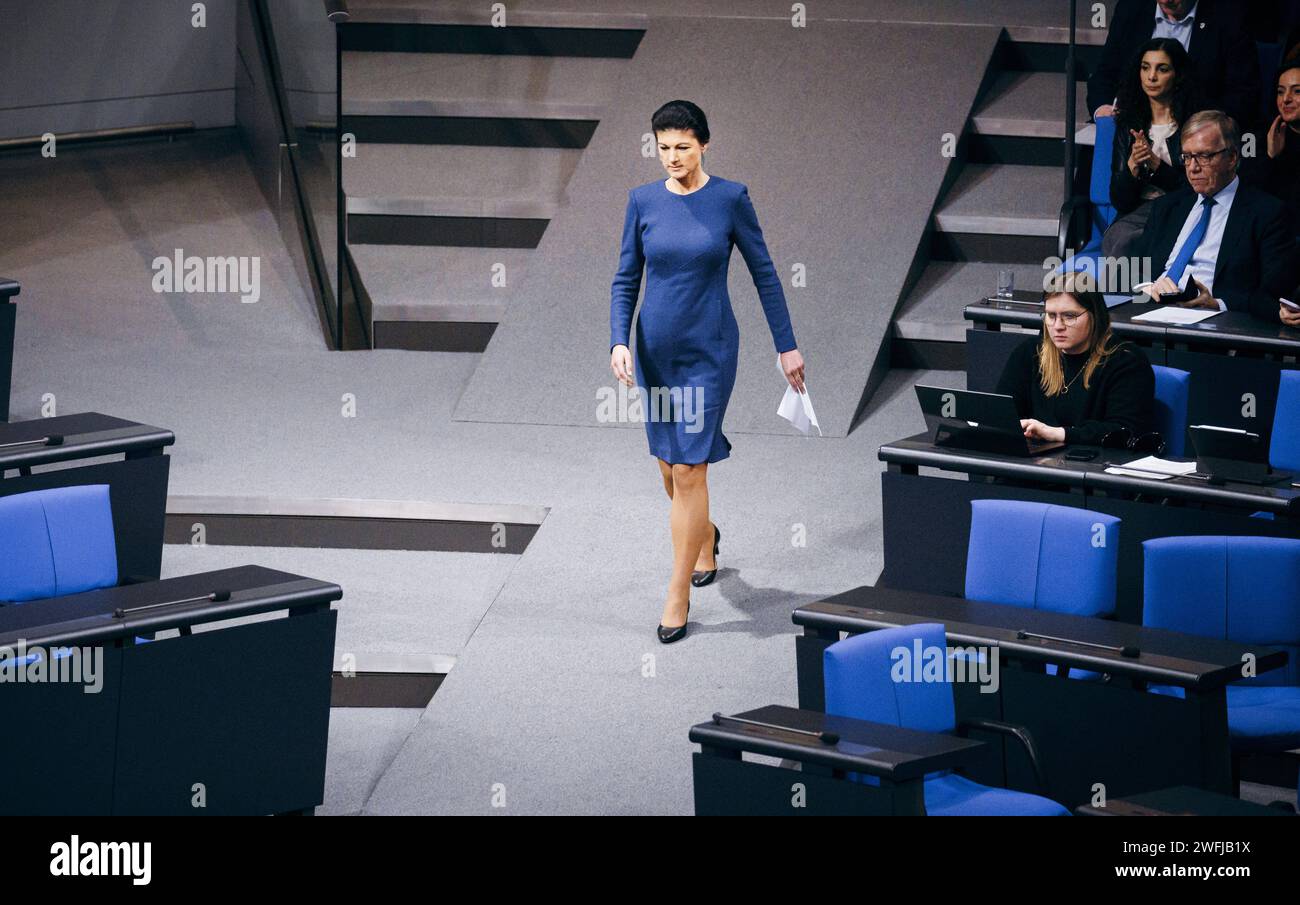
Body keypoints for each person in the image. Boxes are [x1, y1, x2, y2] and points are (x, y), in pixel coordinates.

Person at [609, 100, 805, 644]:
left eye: (683, 147)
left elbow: (765, 274)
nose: (671, 157)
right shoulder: (642, 201)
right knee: (670, 469)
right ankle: (706, 533)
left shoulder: (730, 199)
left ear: (704, 145)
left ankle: (678, 592)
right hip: (654, 355)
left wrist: (786, 347)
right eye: (663, 147)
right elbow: (625, 279)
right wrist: (618, 342)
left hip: (709, 354)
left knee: (690, 469)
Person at [1137, 110, 1300, 324]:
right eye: (1187, 157)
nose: (1193, 168)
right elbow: (1138, 268)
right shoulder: (1167, 207)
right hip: (1153, 314)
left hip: (1217, 325)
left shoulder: (1267, 213)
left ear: (1231, 158)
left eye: (1204, 156)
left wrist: (1218, 303)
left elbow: (1269, 294)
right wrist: (1147, 287)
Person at [996, 271, 1155, 447]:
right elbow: (1001, 412)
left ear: (1094, 315)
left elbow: (1124, 431)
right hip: (1035, 462)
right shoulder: (1030, 352)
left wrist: (1058, 434)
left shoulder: (1126, 361)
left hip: (1095, 464)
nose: (1057, 326)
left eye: (1069, 316)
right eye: (1051, 315)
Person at [1088, 0, 1259, 129]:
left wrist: (1202, 124)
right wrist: (1103, 109)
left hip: (1196, 130)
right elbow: (1104, 74)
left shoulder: (1228, 16)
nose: (1166, 1)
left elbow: (1243, 94)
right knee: (1090, 160)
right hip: (1133, 124)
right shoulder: (1131, 8)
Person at [1103, 38, 1203, 258]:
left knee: (1127, 246)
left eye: (1162, 69)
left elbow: (1197, 189)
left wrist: (1156, 165)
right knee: (1117, 241)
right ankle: (1127, 291)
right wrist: (1132, 168)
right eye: (1145, 67)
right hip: (1137, 211)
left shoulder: (1195, 123)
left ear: (1178, 75)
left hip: (1179, 210)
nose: (1151, 77)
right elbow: (1119, 200)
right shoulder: (1128, 123)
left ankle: (1136, 291)